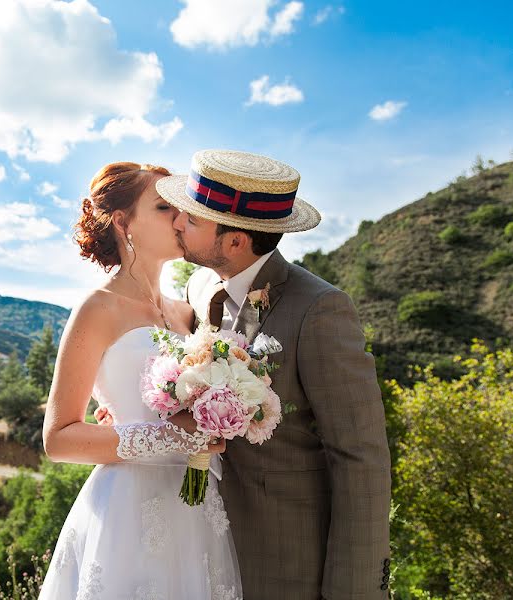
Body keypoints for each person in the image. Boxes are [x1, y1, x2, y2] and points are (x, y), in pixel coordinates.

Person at [154, 149, 392, 599]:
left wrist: (355, 590)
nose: (178, 224)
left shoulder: (320, 310)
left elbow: (361, 457)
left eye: (195, 220)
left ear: (236, 241)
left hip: (287, 559)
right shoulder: (200, 286)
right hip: (201, 545)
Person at [40, 161, 242, 599]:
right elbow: (58, 439)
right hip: (128, 512)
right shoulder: (98, 309)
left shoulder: (187, 311)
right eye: (163, 207)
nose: (181, 218)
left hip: (196, 511)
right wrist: (171, 436)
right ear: (122, 222)